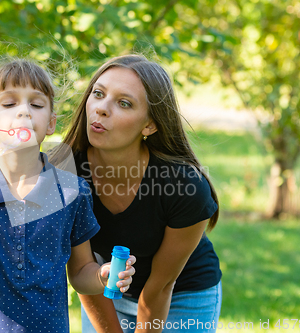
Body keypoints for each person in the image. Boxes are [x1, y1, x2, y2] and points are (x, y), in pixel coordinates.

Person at [0, 59, 136, 333]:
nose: (23, 112)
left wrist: (102, 276)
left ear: (51, 123)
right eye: (9, 104)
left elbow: (80, 274)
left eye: (36, 104)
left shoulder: (72, 191)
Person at [62, 54, 222, 333]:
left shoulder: (186, 187)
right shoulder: (65, 172)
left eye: (124, 103)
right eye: (98, 94)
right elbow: (81, 271)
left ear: (149, 125)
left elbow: (160, 288)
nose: (101, 108)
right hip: (103, 287)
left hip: (183, 295)